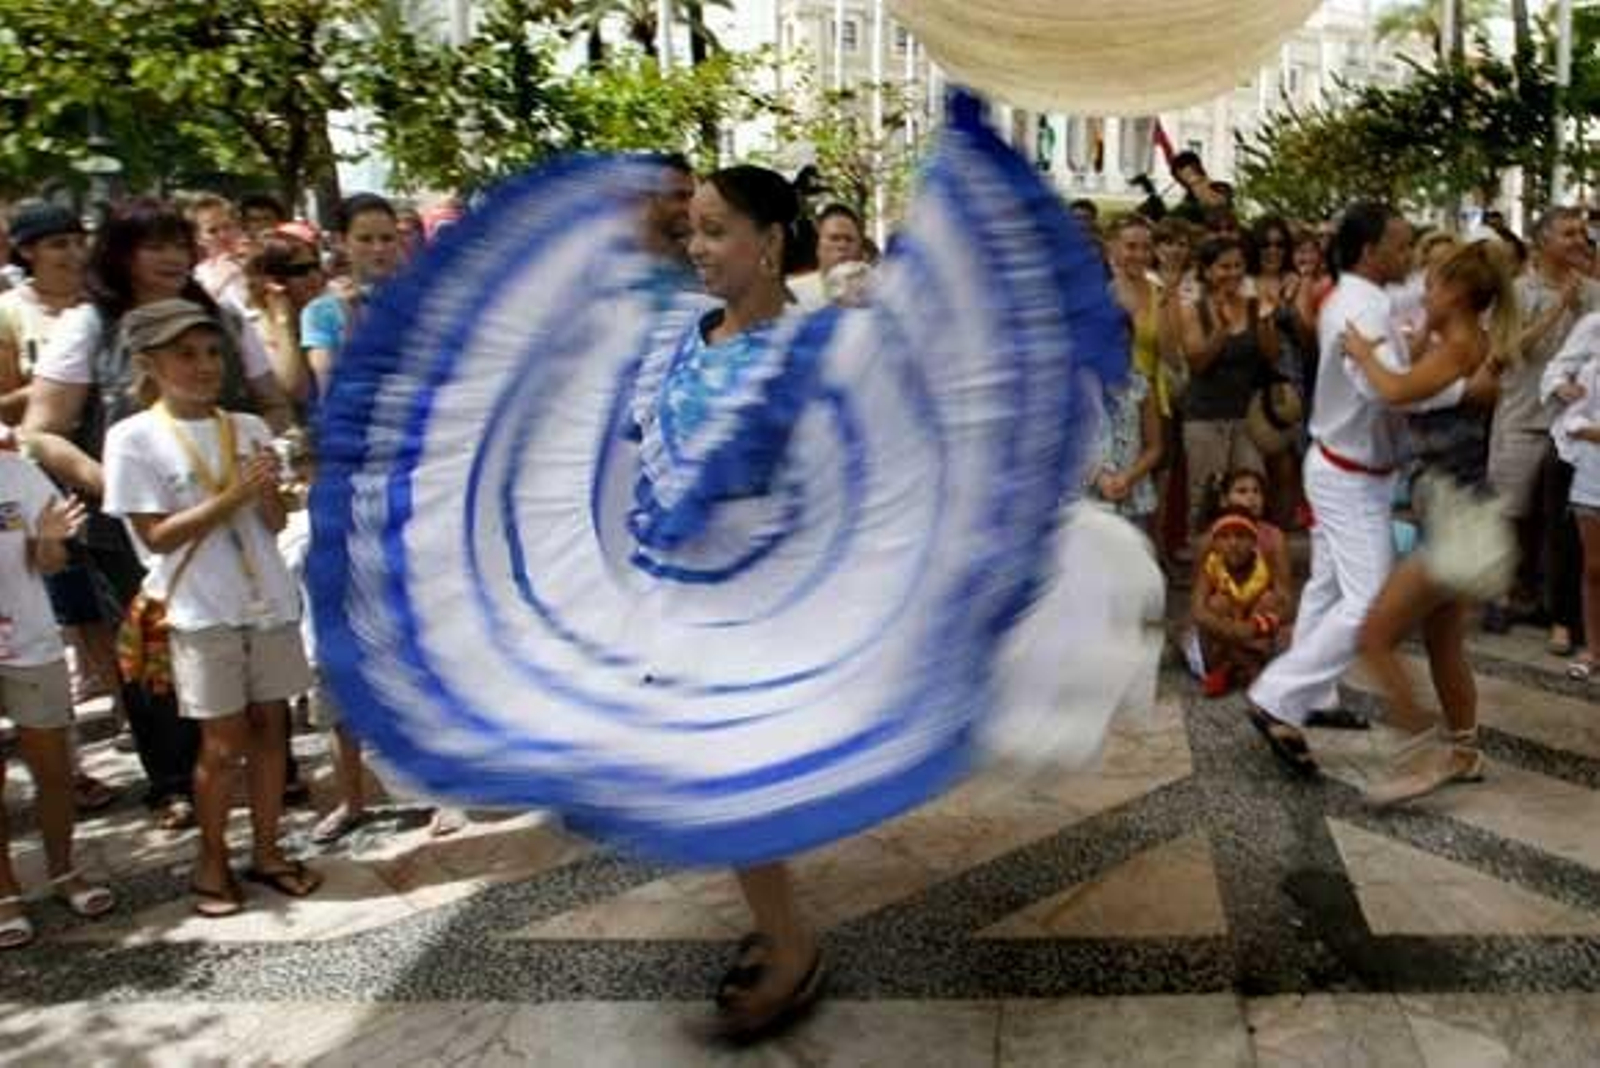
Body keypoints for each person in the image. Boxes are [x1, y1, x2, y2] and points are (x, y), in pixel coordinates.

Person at [24, 198, 293, 828]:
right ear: (120, 254)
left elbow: (274, 403)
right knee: (157, 656)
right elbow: (42, 432)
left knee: (249, 637)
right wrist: (113, 484)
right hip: (136, 531)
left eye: (179, 243)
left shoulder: (219, 316)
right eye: (153, 245)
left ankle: (269, 777)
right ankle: (175, 781)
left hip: (239, 519)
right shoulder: (92, 325)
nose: (172, 257)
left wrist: (269, 454)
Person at [1244, 202, 1483, 776]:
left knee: (1328, 591)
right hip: (1348, 476)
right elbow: (1388, 393)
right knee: (1369, 602)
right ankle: (1277, 696)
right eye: (1401, 244)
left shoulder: (1373, 297)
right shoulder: (1357, 308)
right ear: (1370, 251)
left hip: (1356, 471)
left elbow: (1425, 297)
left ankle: (1305, 701)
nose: (1410, 255)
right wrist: (1462, 390)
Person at [102, 300, 321, 917]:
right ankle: (211, 859)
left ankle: (270, 849)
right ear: (149, 363)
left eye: (213, 353)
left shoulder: (247, 427)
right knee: (221, 742)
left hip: (267, 598)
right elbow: (157, 537)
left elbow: (274, 519)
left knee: (272, 727)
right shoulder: (133, 437)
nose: (204, 366)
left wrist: (273, 493)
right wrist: (232, 496)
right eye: (185, 354)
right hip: (202, 608)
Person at [1343, 240, 1518, 804]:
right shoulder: (1464, 343)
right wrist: (1418, 338)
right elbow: (1427, 386)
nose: (1426, 291)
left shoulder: (1462, 346)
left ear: (1460, 293)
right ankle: (1464, 751)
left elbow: (1394, 392)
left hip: (1457, 523)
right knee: (1444, 643)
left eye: (1436, 283)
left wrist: (1361, 352)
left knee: (1374, 636)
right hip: (1462, 516)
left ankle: (1417, 748)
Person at [0, 436, 115, 950]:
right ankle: (4, 893)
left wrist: (48, 540)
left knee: (54, 772)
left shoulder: (18, 473)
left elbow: (49, 564)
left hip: (31, 641)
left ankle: (64, 872)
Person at [1486, 208, 1599, 655]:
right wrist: (1557, 310)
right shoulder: (1515, 292)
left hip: (1574, 428)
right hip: (1524, 414)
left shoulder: (1595, 293)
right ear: (1543, 241)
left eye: (1581, 233)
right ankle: (1504, 591)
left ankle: (1554, 605)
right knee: (1511, 511)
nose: (1578, 239)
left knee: (1563, 519)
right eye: (1568, 232)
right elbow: (1502, 353)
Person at [1177, 235, 1278, 532]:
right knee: (1206, 497)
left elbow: (1271, 355)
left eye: (1238, 265)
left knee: (1252, 491)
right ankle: (1204, 565)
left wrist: (1265, 321)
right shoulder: (1193, 310)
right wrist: (1220, 329)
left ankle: (1249, 565)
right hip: (1205, 418)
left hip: (1247, 417)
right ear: (1207, 272)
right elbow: (1198, 364)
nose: (1233, 273)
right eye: (1224, 267)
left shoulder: (1252, 305)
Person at [1544, 312, 1600, 680]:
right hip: (1594, 464)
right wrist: (1578, 423)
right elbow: (1562, 383)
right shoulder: (1594, 325)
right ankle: (1594, 649)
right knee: (1595, 567)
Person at [1191, 509, 1288, 697]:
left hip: (1255, 632)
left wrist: (1254, 626)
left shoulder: (1264, 563)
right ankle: (1244, 666)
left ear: (1253, 542)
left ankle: (1235, 665)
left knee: (1269, 600)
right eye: (1225, 537)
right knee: (1218, 603)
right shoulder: (1212, 564)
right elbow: (1198, 608)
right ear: (1215, 543)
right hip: (1224, 632)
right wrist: (1228, 630)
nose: (1233, 543)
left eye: (1241, 537)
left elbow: (1285, 605)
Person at [242, 230, 326, 413]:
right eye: (299, 271)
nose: (313, 276)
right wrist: (283, 319)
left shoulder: (324, 315)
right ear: (272, 279)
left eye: (315, 266)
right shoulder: (255, 328)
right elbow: (296, 391)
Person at [187, 194, 250, 309]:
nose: (223, 235)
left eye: (227, 226)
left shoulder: (257, 261)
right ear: (198, 238)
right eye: (212, 231)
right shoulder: (198, 276)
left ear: (238, 226)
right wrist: (223, 275)